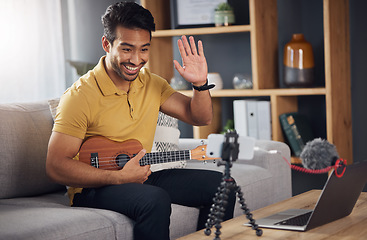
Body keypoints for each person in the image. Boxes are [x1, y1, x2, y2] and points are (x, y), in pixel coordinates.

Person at [46, 2, 235, 240]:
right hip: (93, 188)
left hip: (138, 174)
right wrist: (118, 177)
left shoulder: (151, 84)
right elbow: (55, 165)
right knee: (155, 198)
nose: (136, 59)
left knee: (223, 184)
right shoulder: (80, 96)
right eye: (127, 49)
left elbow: (200, 117)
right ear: (107, 44)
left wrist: (199, 83)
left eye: (144, 49)